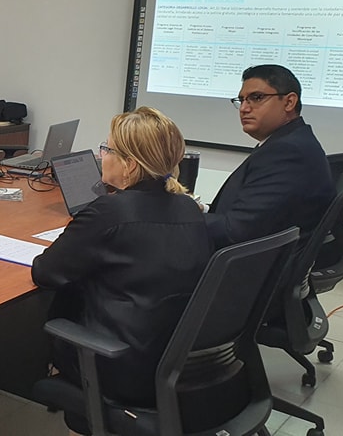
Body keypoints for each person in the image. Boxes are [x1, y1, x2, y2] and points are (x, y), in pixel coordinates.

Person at [30, 107, 212, 434]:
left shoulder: (110, 212)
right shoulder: (189, 208)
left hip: (117, 365)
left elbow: (45, 272)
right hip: (174, 362)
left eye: (107, 149)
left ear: (130, 164)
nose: (102, 156)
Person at [206, 64, 333, 249]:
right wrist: (201, 210)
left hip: (248, 261)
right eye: (241, 100)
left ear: (289, 102)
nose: (244, 108)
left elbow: (236, 231)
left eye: (257, 98)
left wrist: (181, 217)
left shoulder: (288, 152)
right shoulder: (289, 142)